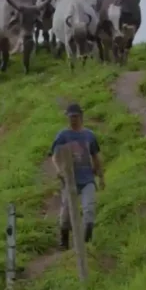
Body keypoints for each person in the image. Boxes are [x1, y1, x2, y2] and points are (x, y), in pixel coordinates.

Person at [49, 102, 105, 250]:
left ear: (81, 116)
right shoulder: (63, 135)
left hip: (87, 179)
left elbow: (95, 156)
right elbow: (54, 156)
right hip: (70, 180)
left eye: (75, 116)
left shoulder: (89, 135)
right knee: (66, 215)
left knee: (89, 210)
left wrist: (101, 176)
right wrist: (58, 170)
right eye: (70, 117)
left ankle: (85, 244)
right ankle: (64, 243)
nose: (72, 119)